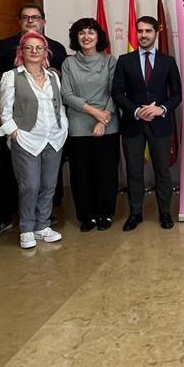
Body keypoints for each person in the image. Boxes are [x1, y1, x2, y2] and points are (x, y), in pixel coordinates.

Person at [0, 3, 69, 239]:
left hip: (53, 137)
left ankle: (43, 225)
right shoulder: (11, 76)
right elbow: (4, 108)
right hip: (26, 138)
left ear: (46, 51)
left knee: (48, 185)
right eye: (29, 48)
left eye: (39, 48)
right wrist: (14, 133)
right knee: (29, 186)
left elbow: (59, 105)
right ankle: (26, 228)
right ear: (21, 51)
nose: (34, 51)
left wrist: (63, 129)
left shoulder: (53, 75)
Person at [112, 16, 182, 230]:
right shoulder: (125, 60)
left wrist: (161, 109)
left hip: (160, 125)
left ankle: (164, 213)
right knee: (134, 171)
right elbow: (116, 92)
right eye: (140, 31)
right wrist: (136, 111)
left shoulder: (167, 61)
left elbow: (177, 94)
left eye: (148, 31)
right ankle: (135, 213)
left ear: (155, 32)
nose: (143, 35)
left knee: (162, 170)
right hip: (133, 125)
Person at [61, 18, 120, 232]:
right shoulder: (69, 63)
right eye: (81, 33)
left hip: (108, 123)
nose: (86, 37)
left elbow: (115, 92)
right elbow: (66, 95)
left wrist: (103, 120)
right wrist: (95, 113)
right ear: (76, 38)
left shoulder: (109, 61)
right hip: (78, 124)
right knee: (81, 174)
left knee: (106, 171)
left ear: (98, 37)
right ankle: (86, 215)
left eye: (91, 32)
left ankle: (105, 213)